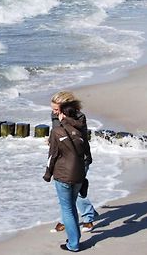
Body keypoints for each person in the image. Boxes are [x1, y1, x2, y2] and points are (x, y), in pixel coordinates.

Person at [43, 99, 92, 252]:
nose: (54, 113)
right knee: (71, 205)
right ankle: (75, 236)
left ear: (63, 112)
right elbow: (86, 149)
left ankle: (74, 243)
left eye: (56, 110)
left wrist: (47, 174)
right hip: (79, 171)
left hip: (63, 173)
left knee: (68, 209)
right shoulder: (79, 128)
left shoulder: (57, 131)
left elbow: (53, 155)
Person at [50, 91, 98, 233]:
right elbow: (57, 133)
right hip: (63, 158)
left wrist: (65, 120)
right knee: (67, 191)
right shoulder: (55, 116)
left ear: (66, 107)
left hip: (80, 158)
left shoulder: (79, 117)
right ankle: (73, 218)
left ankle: (87, 217)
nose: (53, 112)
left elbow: (77, 135)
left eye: (56, 109)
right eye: (52, 109)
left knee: (73, 191)